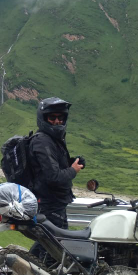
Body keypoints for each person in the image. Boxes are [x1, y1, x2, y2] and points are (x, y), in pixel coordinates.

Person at [26, 97, 84, 261]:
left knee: (50, 245)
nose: (57, 121)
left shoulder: (53, 139)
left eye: (60, 117)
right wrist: (73, 170)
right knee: (54, 249)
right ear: (43, 118)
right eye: (52, 117)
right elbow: (54, 176)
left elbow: (54, 166)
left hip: (55, 202)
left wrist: (71, 162)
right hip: (48, 204)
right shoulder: (42, 141)